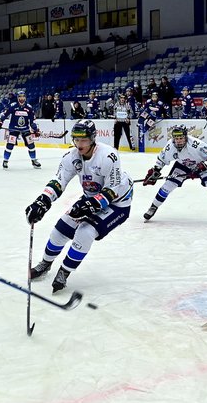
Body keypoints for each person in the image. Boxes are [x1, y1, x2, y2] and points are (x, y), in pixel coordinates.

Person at [25, 119, 134, 292]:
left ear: (92, 139)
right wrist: (42, 200)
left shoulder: (108, 156)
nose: (79, 144)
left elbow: (112, 190)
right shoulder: (71, 157)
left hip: (117, 203)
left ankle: (64, 271)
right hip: (91, 196)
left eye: (83, 140)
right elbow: (59, 181)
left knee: (85, 231)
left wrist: (91, 205)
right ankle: (45, 264)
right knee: (60, 229)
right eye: (76, 139)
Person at [142, 124, 207, 224]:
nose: (178, 141)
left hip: (201, 164)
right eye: (176, 138)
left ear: (186, 137)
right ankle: (153, 207)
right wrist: (155, 171)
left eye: (181, 138)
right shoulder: (170, 146)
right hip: (183, 165)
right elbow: (161, 160)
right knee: (167, 186)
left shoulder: (195, 144)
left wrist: (202, 166)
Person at [0, 89, 41, 169]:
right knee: (10, 145)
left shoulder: (29, 108)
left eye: (23, 96)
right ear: (17, 98)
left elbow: (32, 122)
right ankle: (5, 160)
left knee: (31, 145)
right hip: (14, 129)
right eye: (20, 97)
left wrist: (35, 129)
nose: (22, 98)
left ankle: (34, 160)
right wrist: (0, 122)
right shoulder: (13, 106)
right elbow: (4, 115)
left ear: (25, 98)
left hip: (25, 129)